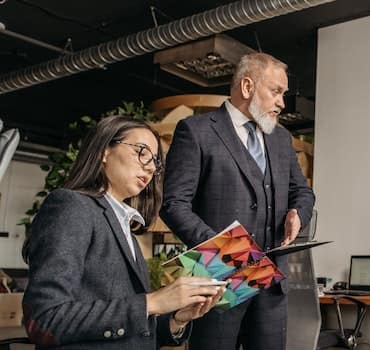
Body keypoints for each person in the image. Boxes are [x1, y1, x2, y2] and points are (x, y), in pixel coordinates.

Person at [22, 116, 224, 349]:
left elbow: (134, 332)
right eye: (141, 151)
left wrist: (177, 319)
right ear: (104, 152)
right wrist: (152, 302)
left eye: (155, 161)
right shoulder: (71, 206)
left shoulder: (124, 225)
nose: (150, 166)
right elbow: (45, 320)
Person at [160, 52, 315, 350]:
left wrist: (298, 212)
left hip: (271, 286)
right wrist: (229, 251)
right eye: (276, 91)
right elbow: (174, 204)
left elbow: (303, 192)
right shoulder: (196, 131)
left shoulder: (281, 140)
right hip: (218, 283)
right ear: (247, 87)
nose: (282, 103)